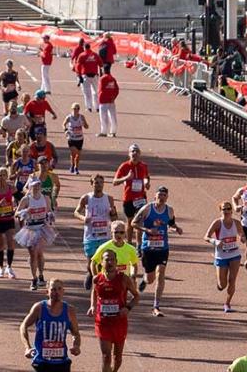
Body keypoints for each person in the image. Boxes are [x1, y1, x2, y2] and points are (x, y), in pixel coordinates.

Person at [132, 186, 182, 317]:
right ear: (155, 196)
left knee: (161, 273)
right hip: (148, 248)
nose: (161, 197)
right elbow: (133, 223)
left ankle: (156, 306)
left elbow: (171, 224)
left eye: (164, 195)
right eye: (159, 195)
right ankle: (144, 279)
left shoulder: (169, 210)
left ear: (167, 197)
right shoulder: (147, 209)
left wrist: (176, 228)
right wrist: (148, 230)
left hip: (162, 248)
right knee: (150, 279)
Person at [88, 249, 139, 372]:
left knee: (118, 357)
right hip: (102, 322)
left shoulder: (124, 279)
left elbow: (136, 296)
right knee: (106, 356)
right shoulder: (97, 279)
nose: (109, 262)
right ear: (101, 262)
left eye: (112, 260)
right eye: (106, 259)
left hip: (119, 323)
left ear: (116, 262)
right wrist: (93, 306)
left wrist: (128, 308)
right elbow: (94, 292)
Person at [20, 278, 82, 372]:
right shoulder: (39, 308)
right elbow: (23, 326)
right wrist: (27, 347)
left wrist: (76, 346)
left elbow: (76, 333)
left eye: (59, 289)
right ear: (47, 292)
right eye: (53, 289)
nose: (56, 292)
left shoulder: (69, 311)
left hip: (61, 362)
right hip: (41, 361)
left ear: (63, 291)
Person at [73, 174, 117, 290]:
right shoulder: (86, 198)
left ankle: (101, 284)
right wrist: (83, 218)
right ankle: (89, 273)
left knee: (105, 261)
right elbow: (76, 212)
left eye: (101, 182)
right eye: (96, 182)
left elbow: (114, 218)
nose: (99, 185)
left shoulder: (109, 199)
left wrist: (113, 212)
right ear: (92, 184)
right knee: (91, 262)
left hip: (105, 235)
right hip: (91, 235)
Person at [204, 200, 246, 313]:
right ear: (220, 211)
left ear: (231, 210)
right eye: (224, 209)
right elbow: (206, 236)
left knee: (232, 280)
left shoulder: (236, 223)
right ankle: (220, 284)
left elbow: (242, 234)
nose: (226, 211)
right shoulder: (217, 223)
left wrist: (242, 238)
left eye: (228, 209)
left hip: (235, 255)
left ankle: (227, 303)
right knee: (223, 284)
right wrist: (214, 241)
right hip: (221, 256)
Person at [15, 178, 56, 291]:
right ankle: (34, 279)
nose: (36, 187)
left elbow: (49, 211)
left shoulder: (45, 198)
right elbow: (16, 213)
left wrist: (50, 216)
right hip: (30, 229)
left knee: (39, 253)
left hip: (42, 228)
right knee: (33, 254)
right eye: (34, 186)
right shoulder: (26, 199)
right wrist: (24, 212)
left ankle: (41, 275)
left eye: (38, 185)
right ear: (30, 187)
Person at [112, 144, 150, 245]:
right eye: (132, 151)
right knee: (129, 221)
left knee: (139, 222)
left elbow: (147, 176)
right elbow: (114, 182)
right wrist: (126, 177)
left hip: (141, 198)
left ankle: (139, 245)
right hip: (128, 198)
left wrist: (147, 183)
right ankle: (128, 243)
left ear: (140, 154)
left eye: (137, 151)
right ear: (129, 154)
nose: (135, 153)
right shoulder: (124, 166)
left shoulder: (143, 166)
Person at [63, 103, 88, 175]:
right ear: (72, 109)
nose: (76, 110)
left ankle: (76, 167)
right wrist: (66, 130)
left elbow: (86, 126)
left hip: (80, 138)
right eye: (74, 108)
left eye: (77, 109)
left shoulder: (82, 117)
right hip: (71, 138)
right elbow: (63, 124)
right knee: (74, 153)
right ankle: (73, 165)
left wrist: (84, 124)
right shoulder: (69, 117)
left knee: (78, 155)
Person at [76, 43, 101, 113]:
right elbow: (101, 64)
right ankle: (97, 107)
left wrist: (79, 75)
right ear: (90, 47)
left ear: (84, 48)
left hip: (85, 76)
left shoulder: (82, 55)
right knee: (95, 92)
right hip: (95, 75)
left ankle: (89, 107)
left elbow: (78, 66)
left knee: (87, 93)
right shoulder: (95, 55)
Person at [96, 65, 119, 138]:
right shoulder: (113, 78)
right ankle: (113, 131)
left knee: (103, 117)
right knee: (113, 116)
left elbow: (100, 90)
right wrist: (113, 97)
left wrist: (99, 99)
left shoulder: (102, 79)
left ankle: (104, 131)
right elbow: (117, 90)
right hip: (111, 100)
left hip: (103, 100)